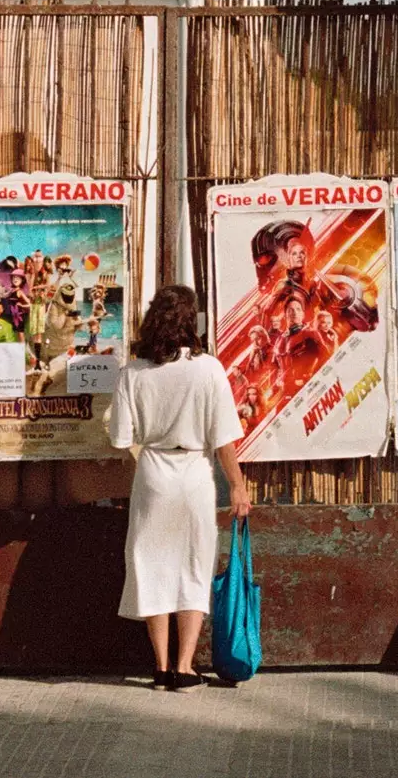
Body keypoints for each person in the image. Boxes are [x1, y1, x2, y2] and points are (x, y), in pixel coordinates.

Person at [110, 285, 251, 693]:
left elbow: (121, 439)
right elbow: (223, 438)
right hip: (194, 473)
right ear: (192, 323)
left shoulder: (132, 373)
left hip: (152, 468)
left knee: (151, 566)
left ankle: (160, 667)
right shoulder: (208, 369)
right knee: (194, 564)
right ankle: (186, 668)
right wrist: (238, 487)